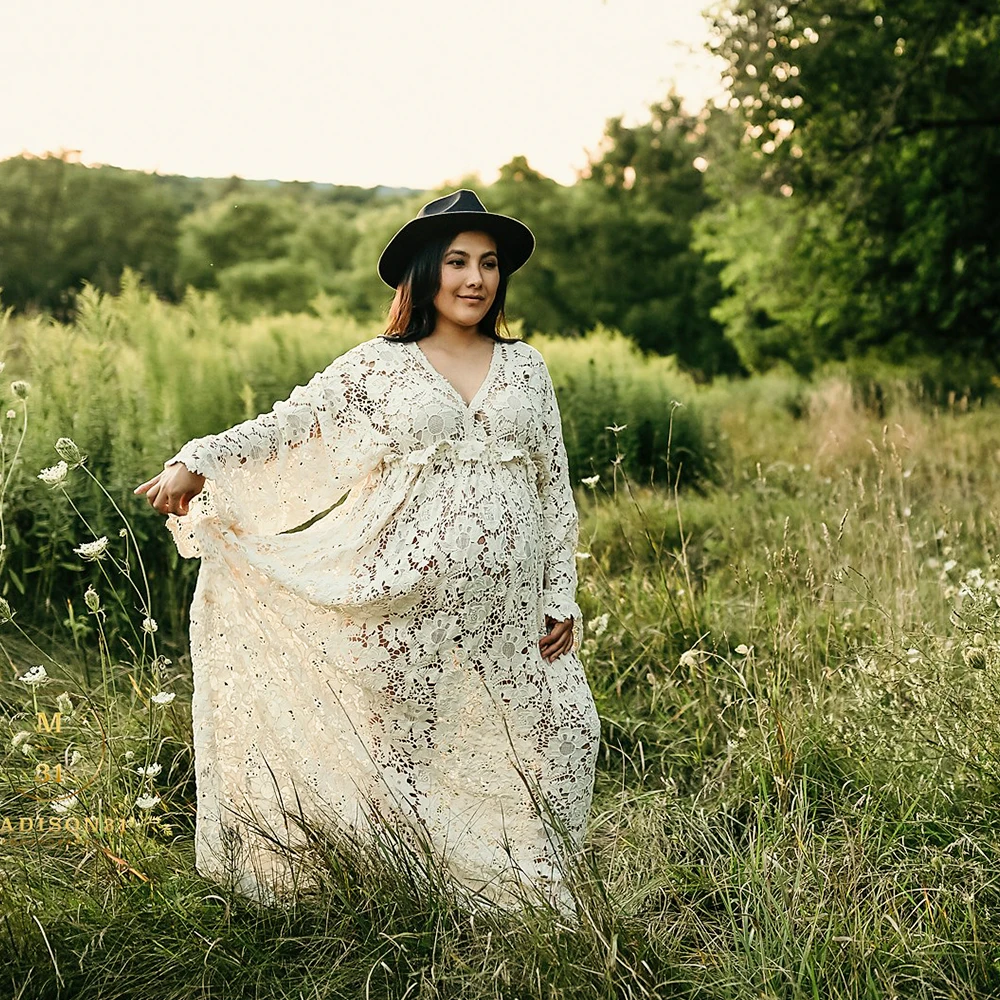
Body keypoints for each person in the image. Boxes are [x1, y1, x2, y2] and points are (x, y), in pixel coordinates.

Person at [133, 188, 601, 916]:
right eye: (457, 262)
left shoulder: (528, 369)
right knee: (407, 754)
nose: (476, 279)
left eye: (488, 264)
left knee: (562, 734)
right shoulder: (380, 368)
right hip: (401, 601)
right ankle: (409, 897)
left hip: (508, 614)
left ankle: (516, 879)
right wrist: (202, 460)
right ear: (423, 270)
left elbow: (553, 490)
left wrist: (557, 591)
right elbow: (292, 425)